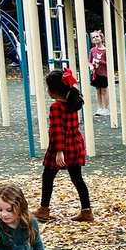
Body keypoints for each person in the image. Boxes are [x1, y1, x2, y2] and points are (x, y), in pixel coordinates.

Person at [37, 69, 93, 223]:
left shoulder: (56, 108)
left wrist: (59, 151)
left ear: (53, 90)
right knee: (77, 178)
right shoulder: (72, 103)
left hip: (60, 147)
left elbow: (58, 130)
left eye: (48, 87)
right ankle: (86, 211)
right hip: (75, 145)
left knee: (48, 177)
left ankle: (43, 210)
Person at [88, 32, 110, 117]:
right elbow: (89, 61)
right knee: (98, 91)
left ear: (101, 38)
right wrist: (90, 66)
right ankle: (99, 107)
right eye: (93, 37)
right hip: (95, 73)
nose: (95, 38)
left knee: (104, 91)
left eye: (97, 36)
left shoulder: (105, 50)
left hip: (104, 73)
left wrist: (99, 62)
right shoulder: (92, 50)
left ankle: (106, 108)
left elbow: (109, 63)